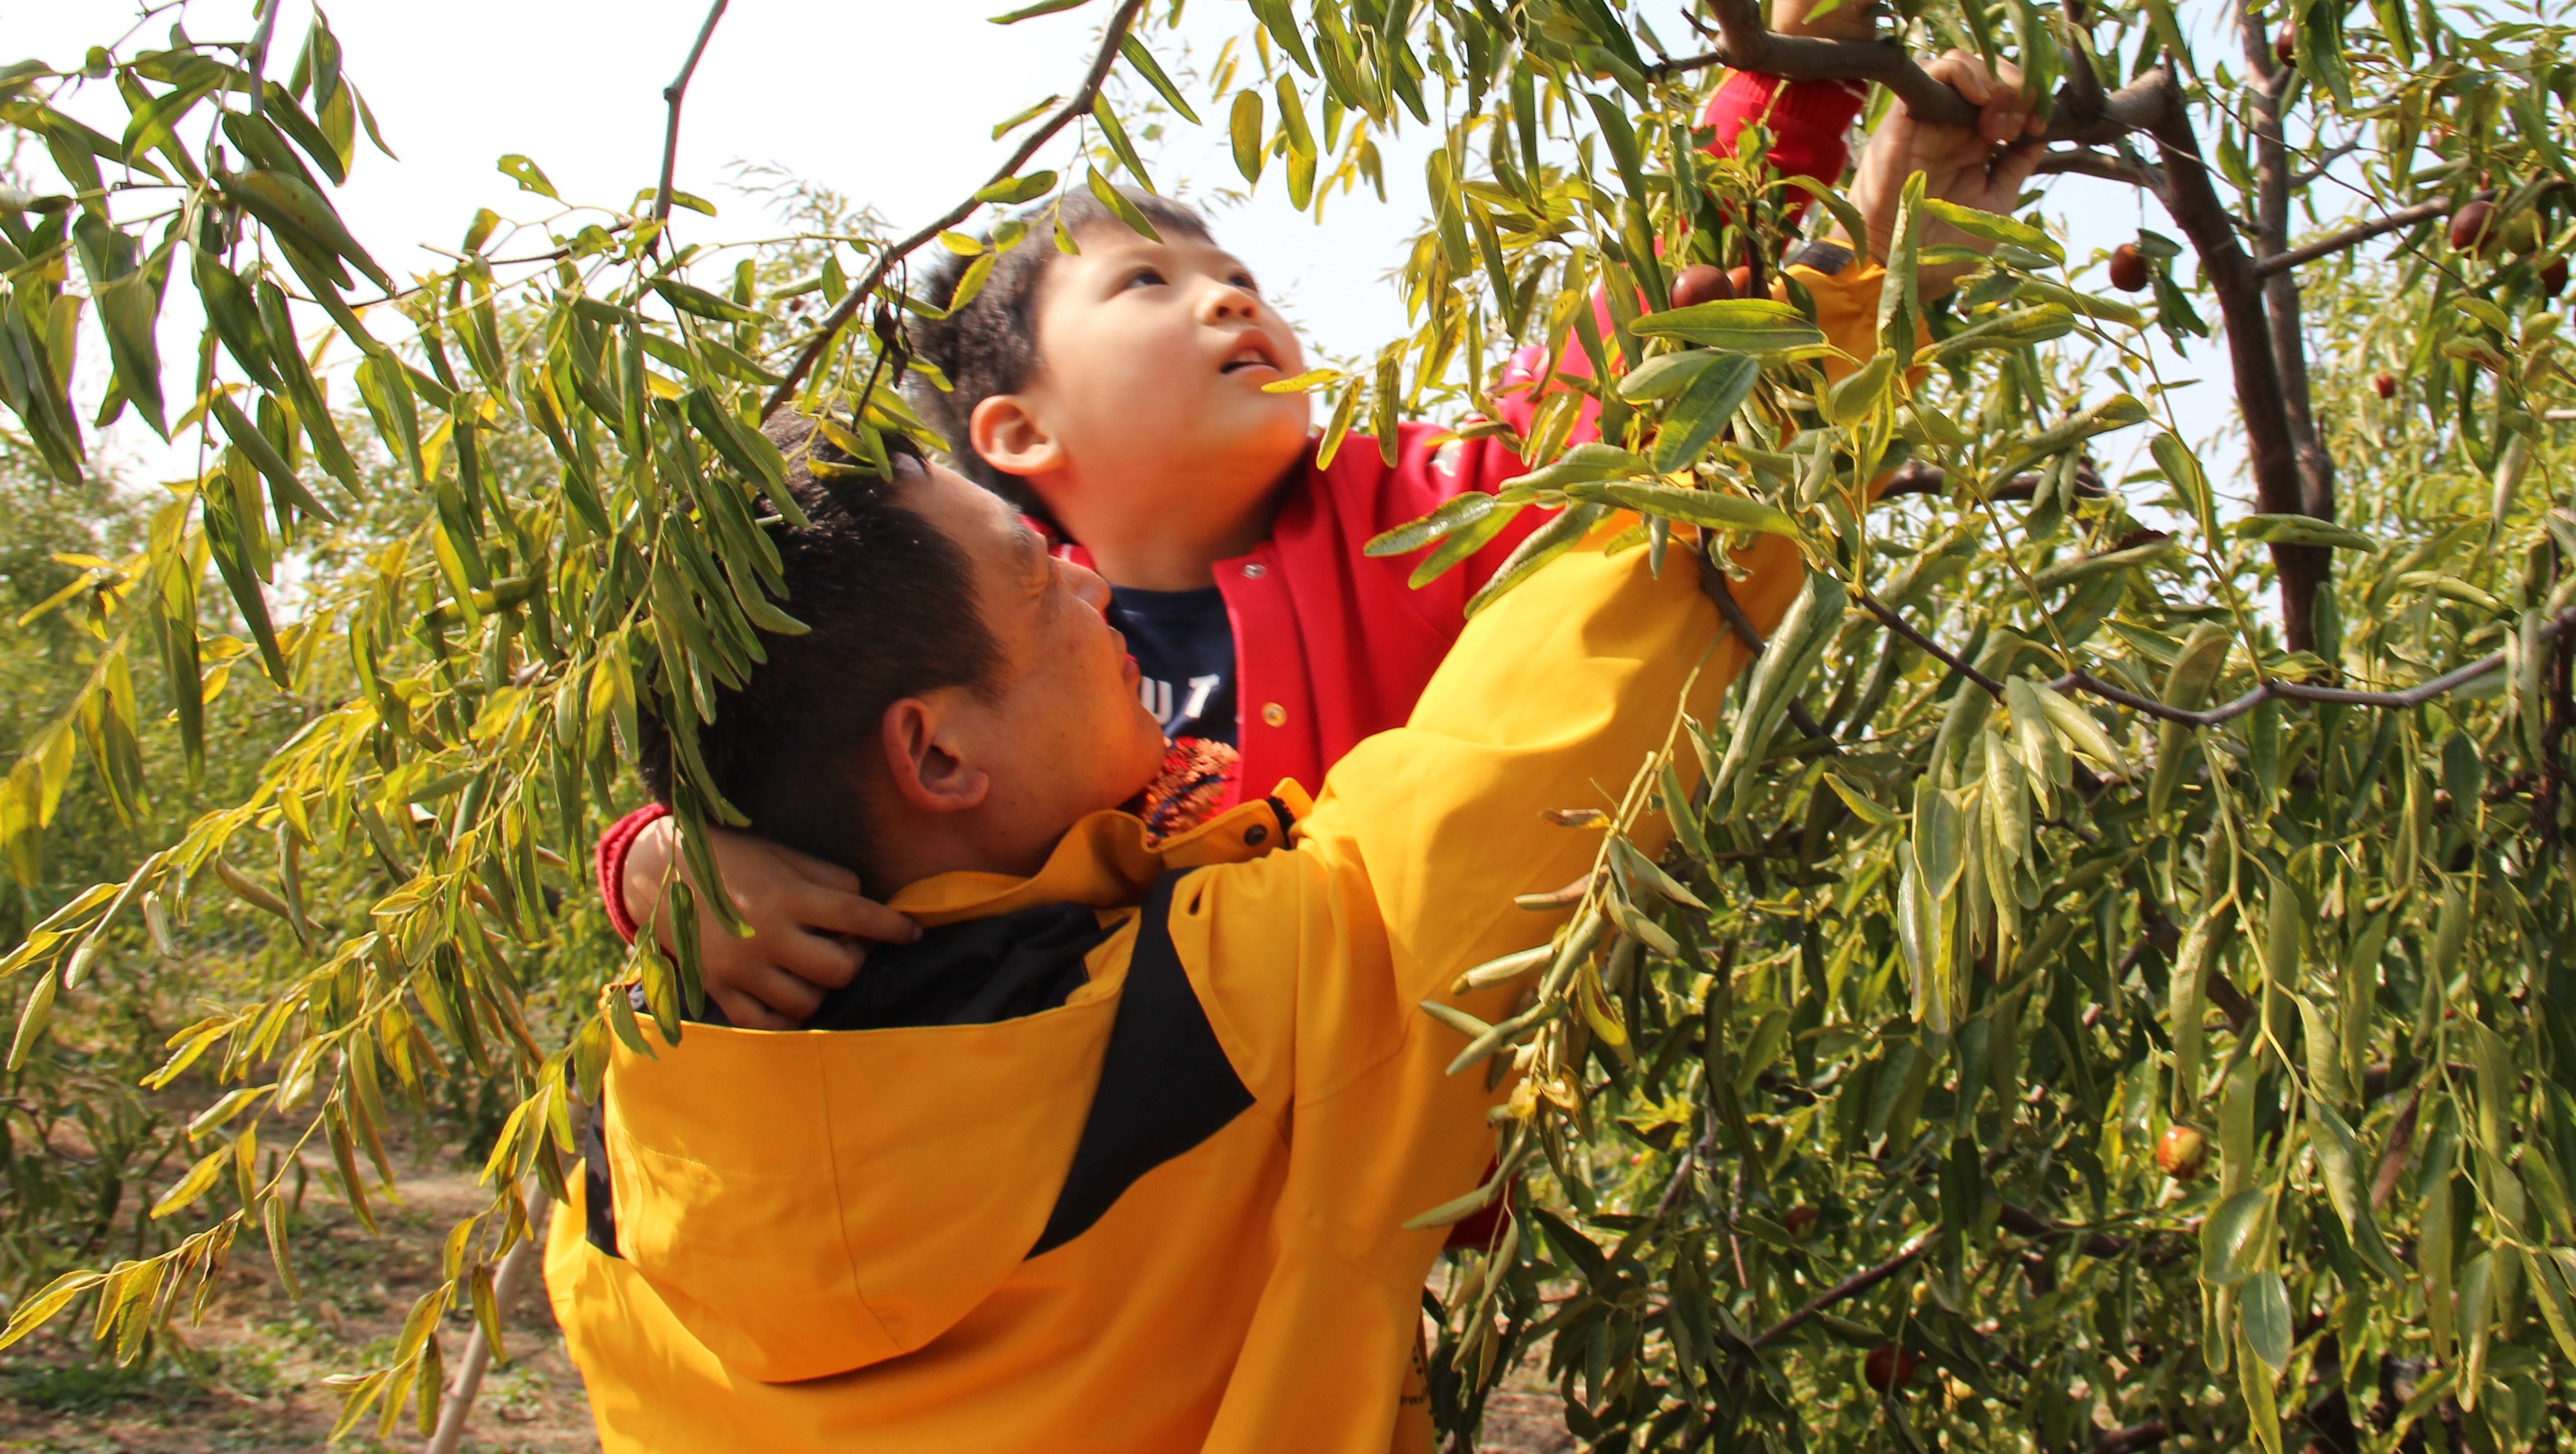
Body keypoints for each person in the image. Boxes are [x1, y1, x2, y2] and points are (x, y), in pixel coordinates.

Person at [591, 0, 2051, 1031]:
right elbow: (770, 731)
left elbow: (1655, 354)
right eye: (1149, 285)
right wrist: (663, 863)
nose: (1233, 300)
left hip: (1320, 1141)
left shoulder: (1413, 513)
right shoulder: (968, 604)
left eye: (1241, 275)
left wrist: (1794, 63)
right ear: (1019, 439)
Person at [544, 421, 1803, 1451]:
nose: (1091, 578)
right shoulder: (1221, 1016)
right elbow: (1526, 748)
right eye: (1041, 581)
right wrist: (1786, 361)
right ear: (936, 752)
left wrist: (655, 851)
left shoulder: (623, 1166)